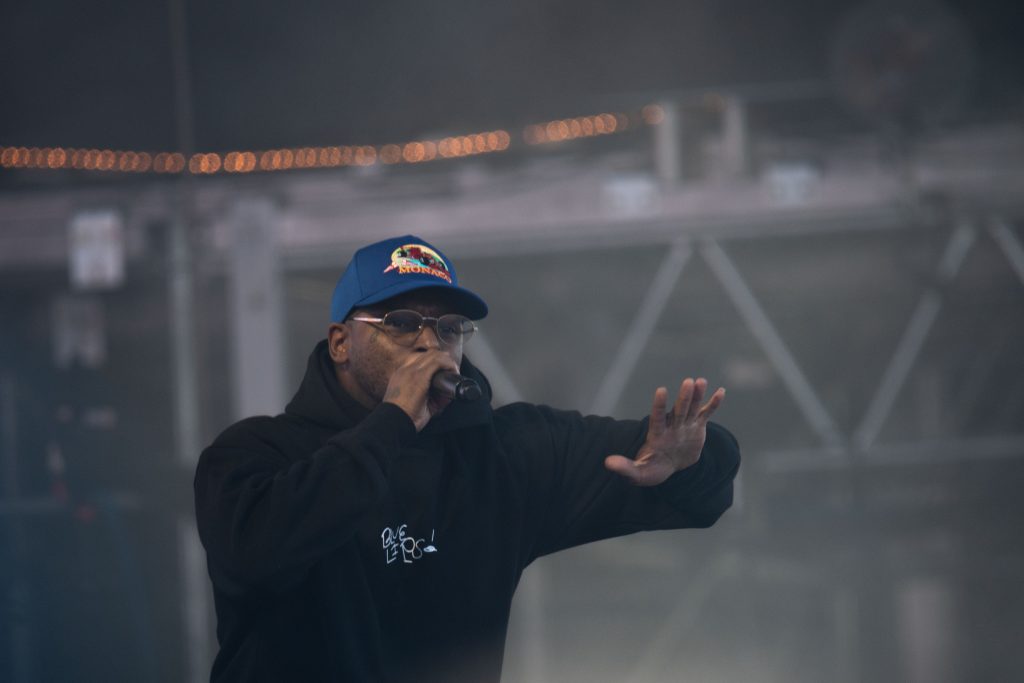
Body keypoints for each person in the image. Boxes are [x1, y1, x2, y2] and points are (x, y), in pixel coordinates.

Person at [194, 234, 741, 683]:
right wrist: (393, 423)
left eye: (449, 328)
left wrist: (687, 461)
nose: (430, 344)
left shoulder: (506, 454)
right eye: (402, 322)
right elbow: (254, 553)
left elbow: (677, 468)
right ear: (341, 342)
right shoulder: (254, 455)